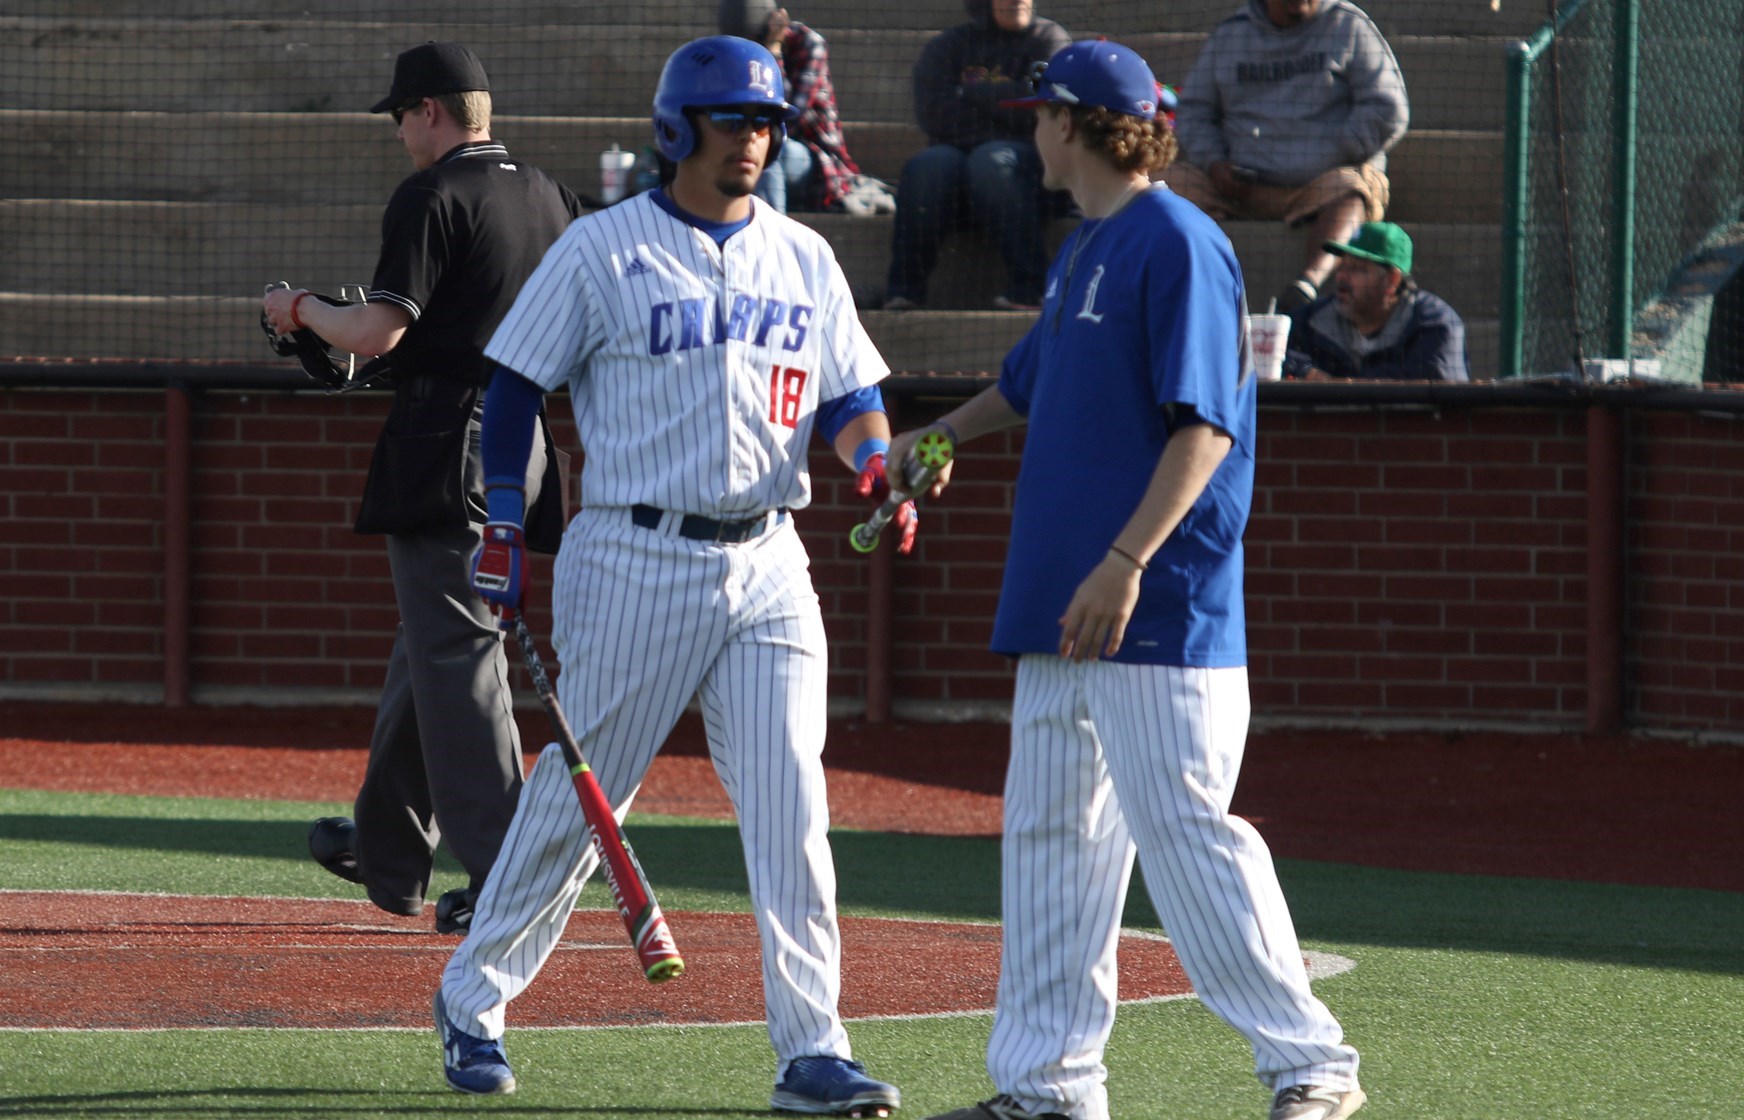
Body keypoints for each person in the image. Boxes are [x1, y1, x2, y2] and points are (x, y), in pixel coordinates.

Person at [430, 34, 914, 1116]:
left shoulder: (802, 255)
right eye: (734, 119)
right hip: (635, 555)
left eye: (766, 122)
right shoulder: (604, 248)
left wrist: (875, 464)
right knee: (577, 801)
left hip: (770, 560)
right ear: (676, 128)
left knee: (791, 806)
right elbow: (512, 387)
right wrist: (503, 520)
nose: (753, 138)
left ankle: (812, 1049)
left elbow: (846, 399)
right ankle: (472, 995)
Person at [890, 40, 1366, 1120]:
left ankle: (1312, 1066)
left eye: (1038, 116)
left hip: (1152, 603)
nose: (1029, 133)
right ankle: (1046, 1088)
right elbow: (1026, 382)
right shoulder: (1088, 247)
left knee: (1189, 831)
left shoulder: (1177, 241)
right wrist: (941, 439)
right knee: (1050, 844)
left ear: (1072, 124)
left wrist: (1124, 562)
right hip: (1063, 606)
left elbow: (1202, 429)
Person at [261, 42, 581, 933]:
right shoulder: (551, 194)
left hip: (451, 442)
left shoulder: (435, 193)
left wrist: (299, 309)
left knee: (456, 656)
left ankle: (510, 867)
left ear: (430, 111)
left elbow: (375, 332)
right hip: (525, 442)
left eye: (402, 115)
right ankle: (389, 847)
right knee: (434, 642)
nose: (401, 131)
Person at [1166, 0, 1409, 316]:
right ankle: (1185, 285)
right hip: (1239, 183)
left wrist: (1328, 152)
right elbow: (1195, 111)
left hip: (1322, 183)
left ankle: (1306, 286)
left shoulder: (1349, 26)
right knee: (1163, 185)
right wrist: (1215, 162)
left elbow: (1388, 110)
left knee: (1355, 185)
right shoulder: (1232, 35)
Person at [884, 0, 1071, 311]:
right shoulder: (949, 45)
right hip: (956, 179)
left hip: (1031, 179)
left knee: (991, 160)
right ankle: (904, 291)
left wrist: (969, 93)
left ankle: (1031, 289)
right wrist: (1008, 103)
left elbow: (1043, 111)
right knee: (927, 165)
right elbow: (934, 114)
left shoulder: (1049, 39)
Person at [717, 0, 896, 216]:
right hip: (755, 147)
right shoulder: (730, 52)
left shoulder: (808, 43)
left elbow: (791, 114)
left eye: (753, 41)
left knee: (767, 151)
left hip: (811, 160)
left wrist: (773, 51)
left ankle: (769, 243)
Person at [1283, 220, 1469, 381]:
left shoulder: (1433, 322)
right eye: (1342, 266)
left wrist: (1340, 385)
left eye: (1356, 269)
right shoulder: (1312, 319)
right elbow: (1272, 352)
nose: (1341, 277)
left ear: (1392, 280)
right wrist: (1304, 371)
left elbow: (1436, 379)